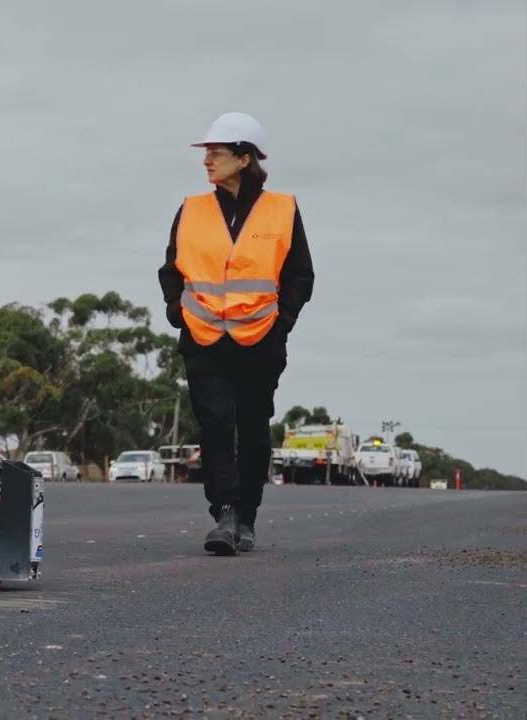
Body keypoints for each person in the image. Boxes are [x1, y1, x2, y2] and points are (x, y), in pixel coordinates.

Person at [157, 112, 315, 555]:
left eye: (217, 153)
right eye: (206, 153)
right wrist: (177, 312)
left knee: (252, 426)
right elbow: (171, 268)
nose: (207, 161)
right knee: (214, 421)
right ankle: (224, 512)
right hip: (203, 335)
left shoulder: (282, 209)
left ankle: (247, 516)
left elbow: (300, 274)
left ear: (244, 159)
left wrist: (282, 323)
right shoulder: (191, 208)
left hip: (260, 338)